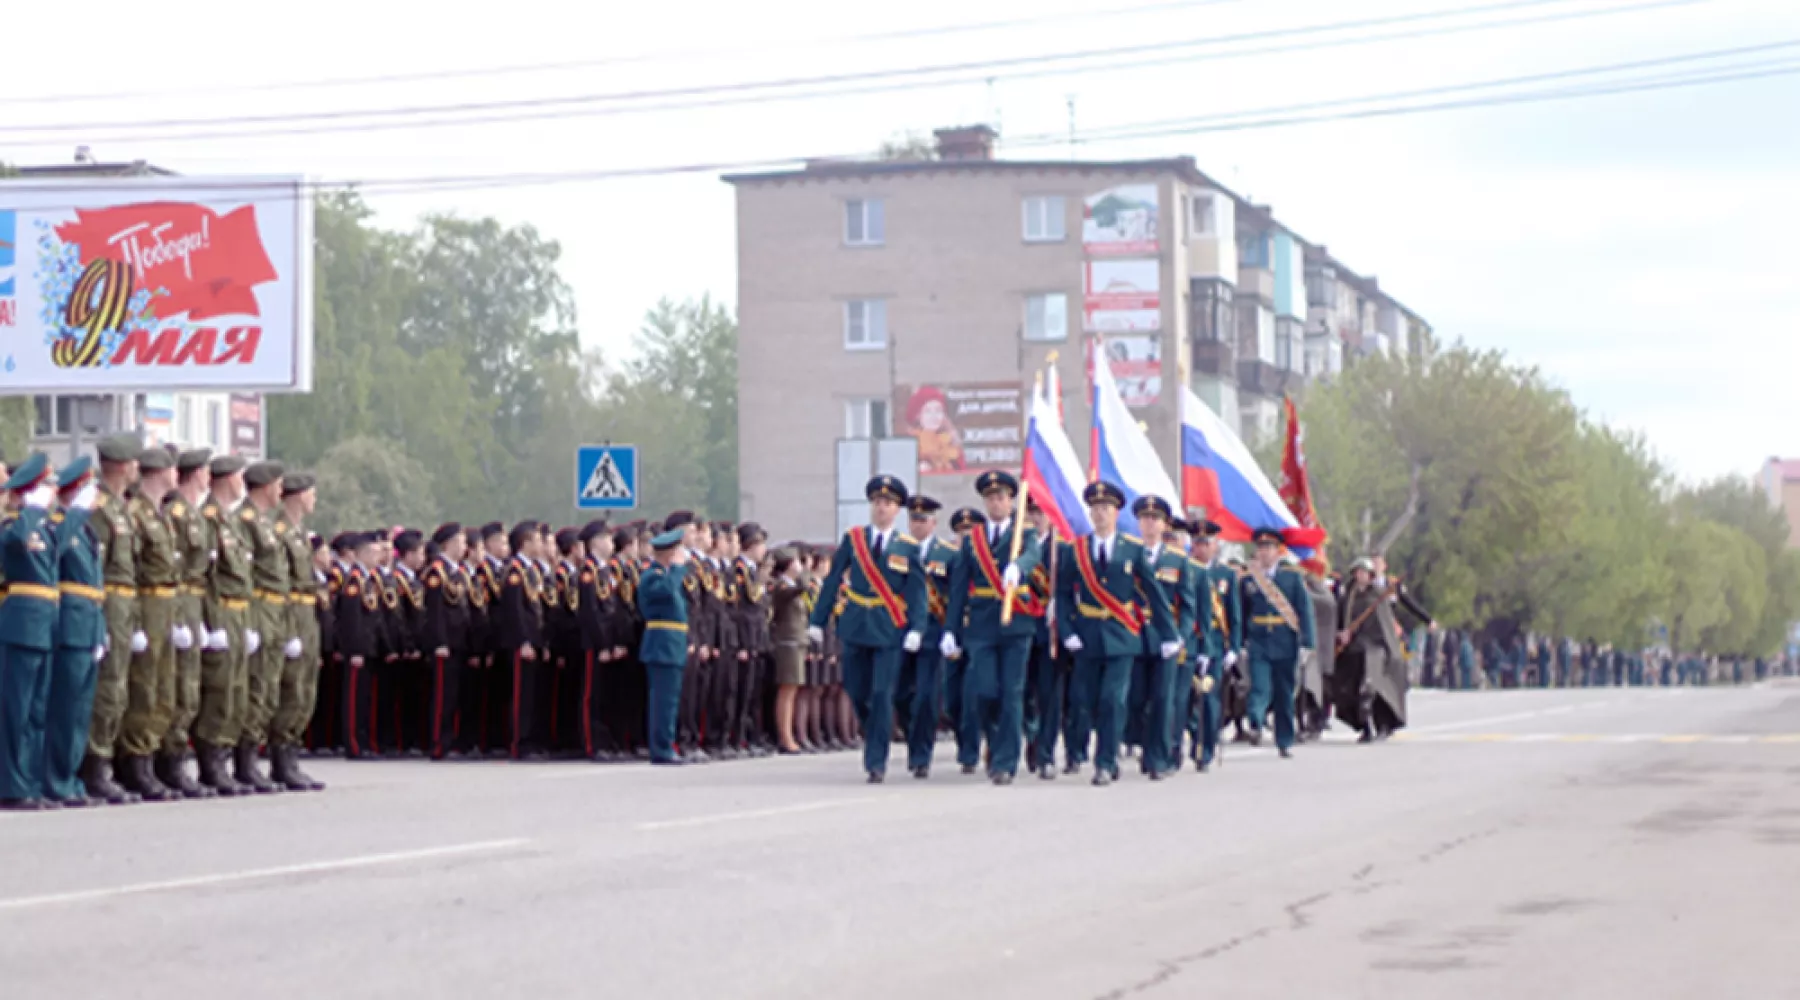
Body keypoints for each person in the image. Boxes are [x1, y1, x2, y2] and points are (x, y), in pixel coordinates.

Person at [809, 475, 929, 783]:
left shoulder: (907, 547)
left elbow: (917, 591)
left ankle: (876, 760)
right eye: (877, 502)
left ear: (897, 509)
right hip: (855, 625)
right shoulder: (855, 539)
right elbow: (833, 579)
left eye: (888, 504)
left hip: (889, 627)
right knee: (857, 690)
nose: (881, 508)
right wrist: (817, 621)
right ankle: (878, 729)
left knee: (881, 693)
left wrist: (917, 627)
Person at [1055, 480, 1175, 786]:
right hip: (1088, 635)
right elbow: (1064, 593)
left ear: (1116, 512)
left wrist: (1169, 634)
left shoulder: (1132, 550)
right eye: (1095, 509)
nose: (1100, 514)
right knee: (1087, 700)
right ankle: (1108, 749)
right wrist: (1067, 630)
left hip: (1122, 636)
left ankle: (1105, 762)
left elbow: (1154, 594)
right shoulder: (1077, 550)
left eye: (1106, 508)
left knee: (1113, 699)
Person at [942, 471, 1042, 786]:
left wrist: (1018, 568)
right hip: (982, 624)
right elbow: (958, 590)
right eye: (991, 498)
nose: (996, 503)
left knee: (1012, 693)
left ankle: (1005, 762)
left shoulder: (1023, 533)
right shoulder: (973, 539)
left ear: (1012, 501)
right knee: (983, 690)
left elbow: (1033, 554)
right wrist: (951, 630)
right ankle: (993, 739)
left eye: (1001, 497)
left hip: (1016, 623)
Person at [1, 454, 73, 810]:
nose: (51, 491)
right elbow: (13, 541)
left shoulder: (42, 527)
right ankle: (12, 785)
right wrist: (28, 509)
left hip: (45, 624)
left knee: (36, 711)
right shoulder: (14, 524)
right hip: (22, 623)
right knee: (16, 709)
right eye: (46, 485)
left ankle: (30, 782)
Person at [127, 446, 189, 799]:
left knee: (166, 687)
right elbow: (129, 572)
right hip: (146, 604)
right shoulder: (136, 514)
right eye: (172, 468)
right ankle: (136, 762)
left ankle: (153, 760)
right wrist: (134, 620)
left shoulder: (160, 515)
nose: (176, 474)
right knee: (144, 686)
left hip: (166, 605)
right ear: (159, 471)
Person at [84, 435, 144, 803]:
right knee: (106, 688)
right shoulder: (100, 508)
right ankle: (95, 765)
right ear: (122, 466)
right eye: (134, 462)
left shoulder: (121, 509)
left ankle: (107, 762)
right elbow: (96, 568)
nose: (138, 468)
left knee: (119, 686)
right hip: (108, 603)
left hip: (126, 604)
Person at [45, 459, 104, 807]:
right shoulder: (59, 526)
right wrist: (75, 515)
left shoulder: (85, 529)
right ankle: (56, 779)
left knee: (81, 710)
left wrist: (101, 630)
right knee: (64, 710)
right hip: (69, 624)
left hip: (89, 623)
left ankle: (71, 776)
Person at [1129, 495, 1194, 781]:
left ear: (1164, 523)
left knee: (1163, 699)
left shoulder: (1177, 560)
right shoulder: (1129, 554)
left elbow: (1188, 605)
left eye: (1155, 519)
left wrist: (1179, 636)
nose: (1149, 523)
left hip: (1166, 638)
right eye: (1144, 518)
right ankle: (1143, 744)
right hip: (1134, 634)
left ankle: (1158, 757)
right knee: (1135, 698)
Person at [1240, 527, 1317, 758]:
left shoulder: (1291, 577)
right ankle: (1255, 722)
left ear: (1278, 551)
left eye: (1269, 548)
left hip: (1285, 640)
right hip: (1259, 639)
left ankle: (1284, 739)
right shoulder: (1248, 580)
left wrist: (1307, 643)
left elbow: (1305, 611)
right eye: (1261, 548)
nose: (1264, 553)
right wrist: (1241, 642)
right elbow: (1242, 613)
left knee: (1284, 692)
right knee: (1260, 686)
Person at [164, 450, 216, 790]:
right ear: (195, 473)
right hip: (179, 602)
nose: (210, 475)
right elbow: (174, 572)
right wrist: (179, 617)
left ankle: (179, 763)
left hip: (197, 603)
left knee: (191, 689)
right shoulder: (177, 514)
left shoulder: (197, 515)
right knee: (176, 688)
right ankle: (168, 764)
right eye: (206, 470)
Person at [268, 474, 324, 790]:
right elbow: (281, 584)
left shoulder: (301, 533)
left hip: (307, 611)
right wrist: (288, 629)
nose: (314, 499)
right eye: (311, 493)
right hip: (291, 611)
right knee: (290, 688)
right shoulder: (280, 533)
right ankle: (281, 760)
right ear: (298, 496)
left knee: (305, 689)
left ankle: (292, 753)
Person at [894, 495, 950, 778]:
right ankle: (911, 734)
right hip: (900, 630)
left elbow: (954, 595)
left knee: (927, 697)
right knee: (900, 694)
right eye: (913, 519)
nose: (918, 525)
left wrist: (952, 632)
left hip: (933, 631)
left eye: (923, 519)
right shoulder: (897, 551)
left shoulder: (946, 553)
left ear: (934, 522)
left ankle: (921, 753)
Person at [1188, 518, 1239, 772]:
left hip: (1217, 644)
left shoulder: (1226, 574)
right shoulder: (1185, 568)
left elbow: (1234, 615)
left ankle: (1205, 748)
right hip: (1190, 640)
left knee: (1209, 699)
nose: (1202, 548)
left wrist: (1234, 649)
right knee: (1184, 698)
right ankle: (1188, 738)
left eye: (1206, 543)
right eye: (1197, 543)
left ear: (1215, 545)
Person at [638, 526, 692, 765]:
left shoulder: (666, 576)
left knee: (670, 701)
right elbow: (667, 592)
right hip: (661, 645)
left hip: (673, 644)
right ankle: (661, 748)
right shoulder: (653, 576)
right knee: (663, 701)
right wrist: (677, 568)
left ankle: (667, 744)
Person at [940, 507, 983, 761]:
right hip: (956, 631)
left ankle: (972, 750)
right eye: (961, 532)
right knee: (952, 698)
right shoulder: (950, 561)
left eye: (971, 532)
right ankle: (963, 739)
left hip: (979, 630)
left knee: (974, 694)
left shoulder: (989, 560)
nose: (965, 537)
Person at [769, 549, 809, 754]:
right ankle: (786, 737)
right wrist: (804, 574)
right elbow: (798, 590)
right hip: (787, 642)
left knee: (793, 690)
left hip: (796, 641)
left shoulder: (791, 585)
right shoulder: (782, 585)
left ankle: (791, 734)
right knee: (787, 690)